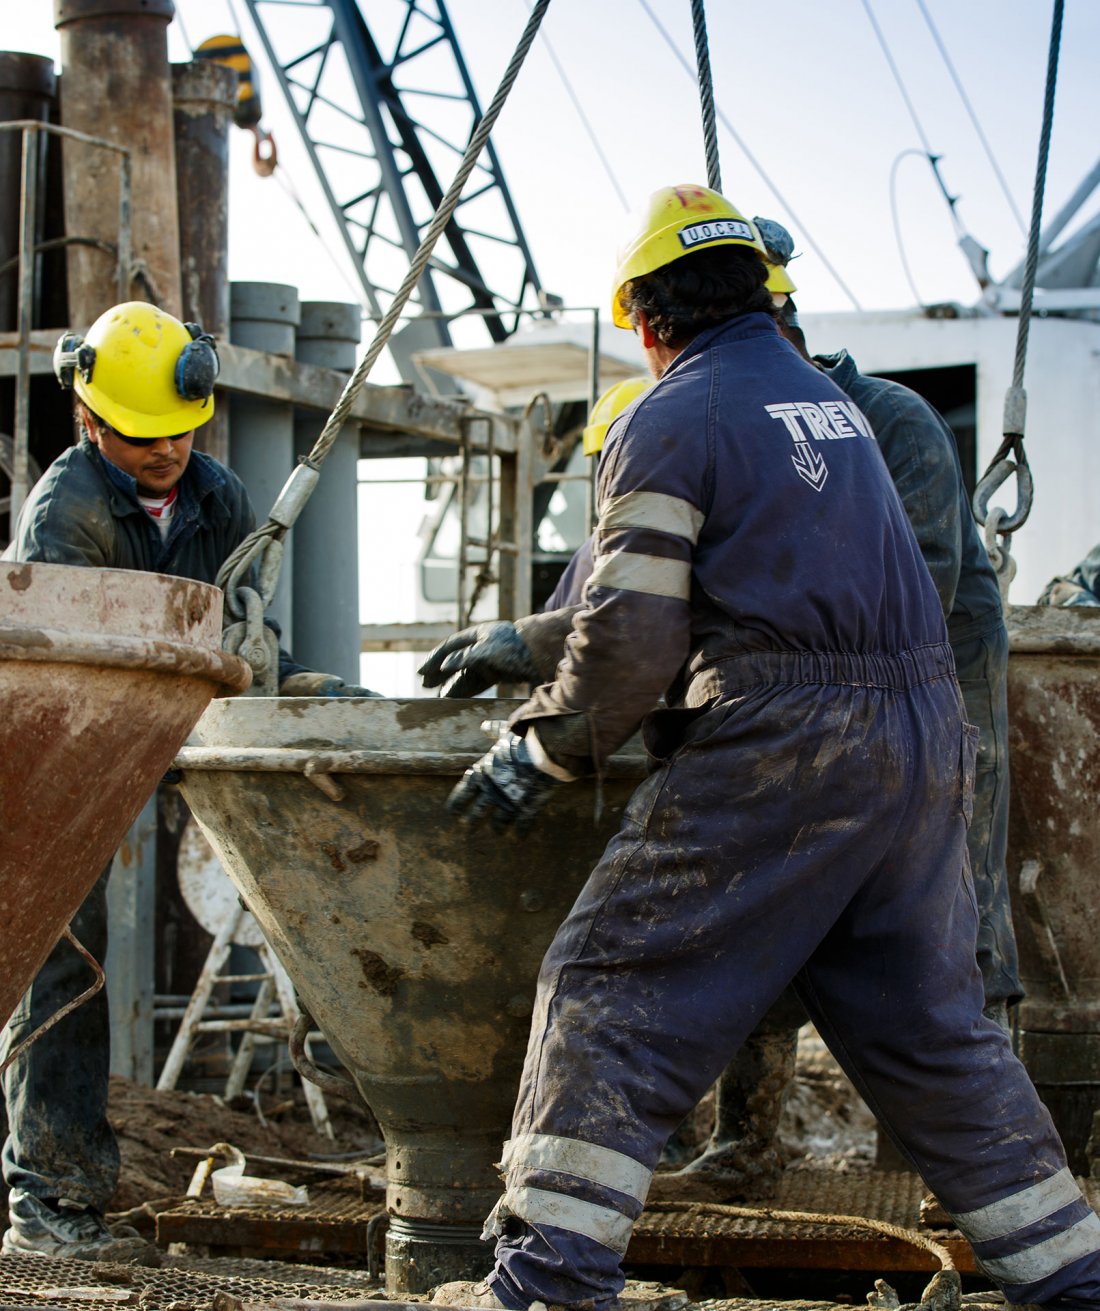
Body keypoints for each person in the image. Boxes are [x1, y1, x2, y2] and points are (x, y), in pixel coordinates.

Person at [423, 185, 1100, 1311]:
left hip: (787, 739)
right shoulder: (839, 411)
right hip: (920, 743)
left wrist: (544, 750)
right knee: (928, 1034)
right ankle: (1073, 1276)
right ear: (759, 295)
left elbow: (635, 635)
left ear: (646, 322)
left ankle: (547, 1282)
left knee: (609, 983)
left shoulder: (670, 416)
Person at [0, 301, 379, 1263]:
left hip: (189, 700)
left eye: (180, 429)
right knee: (64, 949)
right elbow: (77, 678)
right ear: (90, 421)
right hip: (78, 729)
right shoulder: (66, 512)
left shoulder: (218, 494)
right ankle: (49, 1196)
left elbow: (241, 633)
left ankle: (359, 1059)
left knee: (335, 758)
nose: (167, 449)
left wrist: (286, 684)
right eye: (142, 435)